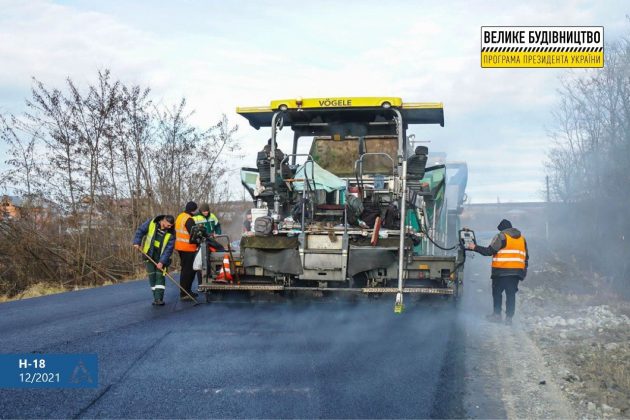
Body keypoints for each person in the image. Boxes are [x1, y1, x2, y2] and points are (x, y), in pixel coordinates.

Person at [467, 219, 528, 325]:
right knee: (511, 295)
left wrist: (475, 247)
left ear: (502, 229)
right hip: (516, 273)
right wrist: (523, 272)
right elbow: (526, 258)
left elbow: (489, 251)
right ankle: (509, 319)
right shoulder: (522, 239)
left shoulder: (501, 236)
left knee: (497, 293)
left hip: (501, 272)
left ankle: (497, 315)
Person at [133, 214, 175, 306]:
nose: (170, 227)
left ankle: (159, 299)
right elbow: (140, 231)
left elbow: (168, 249)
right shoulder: (151, 223)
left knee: (160, 276)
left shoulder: (171, 233)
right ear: (163, 221)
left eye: (171, 226)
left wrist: (162, 262)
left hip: (162, 257)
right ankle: (155, 298)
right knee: (152, 276)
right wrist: (137, 242)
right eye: (168, 225)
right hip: (149, 254)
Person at [192, 203, 223, 287]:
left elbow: (217, 225)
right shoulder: (195, 218)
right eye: (204, 211)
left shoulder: (212, 216)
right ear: (200, 211)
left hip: (211, 239)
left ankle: (215, 276)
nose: (205, 212)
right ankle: (200, 283)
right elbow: (193, 230)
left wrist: (218, 233)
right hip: (201, 242)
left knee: (219, 252)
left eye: (207, 211)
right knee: (201, 261)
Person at [175, 201, 199, 300]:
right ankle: (185, 293)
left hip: (180, 247)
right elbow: (194, 234)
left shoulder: (180, 216)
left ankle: (185, 291)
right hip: (188, 248)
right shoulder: (189, 219)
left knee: (185, 270)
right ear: (193, 210)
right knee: (189, 271)